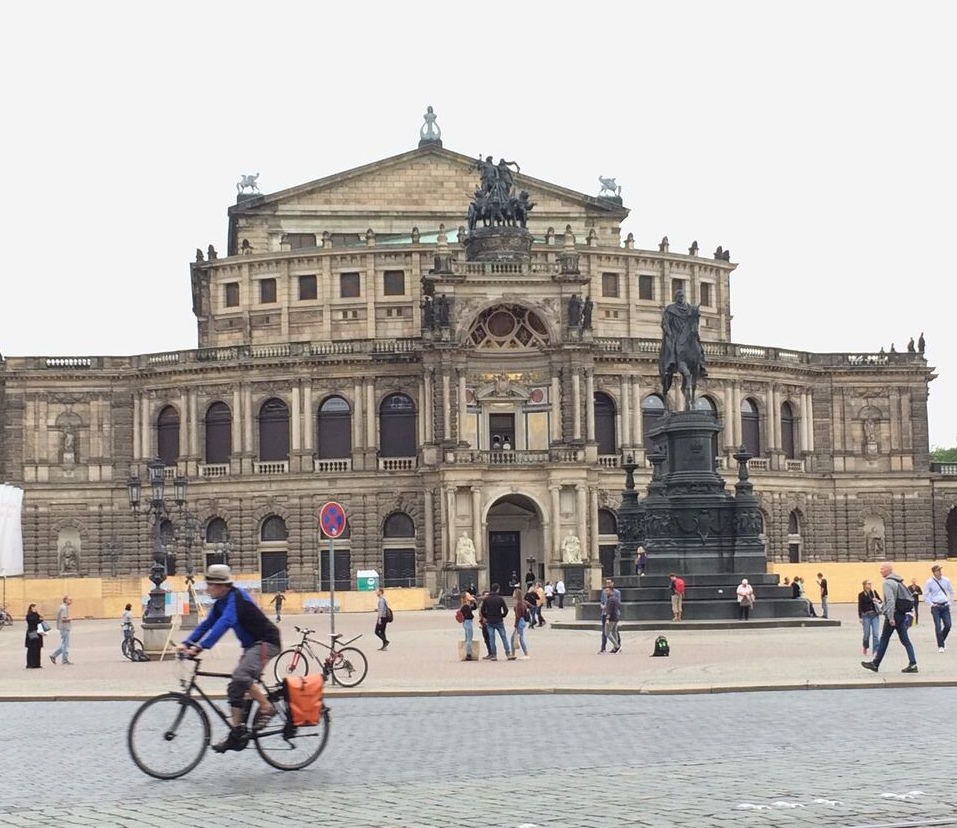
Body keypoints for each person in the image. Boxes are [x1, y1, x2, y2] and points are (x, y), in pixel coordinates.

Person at [178, 565, 282, 752]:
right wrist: (187, 642)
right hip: (251, 646)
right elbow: (207, 624)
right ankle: (236, 733)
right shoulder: (220, 603)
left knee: (241, 676)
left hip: (266, 641)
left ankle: (267, 707)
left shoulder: (236, 598)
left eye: (210, 585)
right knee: (235, 687)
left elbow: (225, 622)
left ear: (221, 586)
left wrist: (201, 646)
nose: (207, 588)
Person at [861, 563, 918, 674]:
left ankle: (875, 664)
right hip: (900, 614)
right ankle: (913, 664)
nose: (880, 571)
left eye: (882, 569)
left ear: (888, 570)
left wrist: (891, 617)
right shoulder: (898, 581)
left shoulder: (888, 583)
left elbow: (891, 601)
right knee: (905, 640)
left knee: (884, 639)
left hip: (893, 615)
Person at [923, 564, 953, 653]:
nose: (940, 572)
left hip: (945, 605)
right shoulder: (929, 582)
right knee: (938, 626)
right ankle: (941, 645)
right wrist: (931, 604)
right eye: (938, 570)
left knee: (948, 625)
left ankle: (941, 639)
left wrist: (949, 602)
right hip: (936, 606)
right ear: (934, 572)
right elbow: (925, 595)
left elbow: (951, 591)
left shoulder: (946, 580)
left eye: (940, 570)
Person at [479, 584, 513, 661]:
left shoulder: (486, 599)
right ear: (497, 589)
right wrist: (502, 615)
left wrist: (487, 616)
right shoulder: (500, 599)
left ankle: (494, 655)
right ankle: (508, 653)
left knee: (491, 638)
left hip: (490, 621)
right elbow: (506, 610)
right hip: (499, 620)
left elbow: (482, 610)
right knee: (504, 637)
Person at [858, 579, 882, 656]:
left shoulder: (874, 593)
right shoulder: (861, 595)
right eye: (868, 584)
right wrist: (860, 617)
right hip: (866, 616)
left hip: (875, 615)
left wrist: (877, 600)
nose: (870, 585)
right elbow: (860, 606)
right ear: (864, 585)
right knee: (867, 634)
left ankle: (876, 650)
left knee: (876, 634)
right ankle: (865, 646)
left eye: (870, 584)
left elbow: (880, 601)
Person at [598, 578, 622, 653]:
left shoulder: (616, 593)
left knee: (610, 632)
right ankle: (603, 648)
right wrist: (602, 606)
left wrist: (608, 608)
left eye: (609, 582)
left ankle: (617, 646)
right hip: (605, 613)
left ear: (612, 583)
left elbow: (618, 604)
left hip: (612, 615)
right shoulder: (604, 592)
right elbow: (602, 601)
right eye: (606, 583)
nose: (607, 584)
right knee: (605, 631)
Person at [50, 595, 73, 665]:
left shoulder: (63, 607)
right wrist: (70, 618)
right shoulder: (64, 608)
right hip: (64, 627)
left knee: (64, 644)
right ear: (65, 600)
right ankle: (64, 660)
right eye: (70, 600)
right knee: (65, 644)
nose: (71, 601)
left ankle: (54, 655)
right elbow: (63, 619)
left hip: (64, 627)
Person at [511, 589, 529, 659]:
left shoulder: (518, 604)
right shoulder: (522, 603)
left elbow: (518, 616)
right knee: (515, 638)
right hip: (522, 621)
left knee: (519, 638)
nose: (512, 594)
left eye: (514, 593)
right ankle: (513, 653)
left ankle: (525, 653)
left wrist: (515, 625)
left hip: (520, 622)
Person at [460, 591, 477, 661]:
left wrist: (474, 602)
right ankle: (468, 654)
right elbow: (469, 615)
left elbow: (474, 607)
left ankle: (467, 652)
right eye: (468, 595)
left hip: (466, 622)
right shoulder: (466, 606)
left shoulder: (465, 605)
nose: (470, 596)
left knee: (467, 638)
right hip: (468, 622)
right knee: (469, 639)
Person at [25, 603, 44, 668]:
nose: (35, 609)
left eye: (36, 608)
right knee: (32, 648)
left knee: (38, 648)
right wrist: (40, 619)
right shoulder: (29, 615)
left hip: (38, 632)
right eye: (33, 608)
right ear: (31, 609)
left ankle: (37, 663)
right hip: (32, 632)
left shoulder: (37, 615)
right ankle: (30, 664)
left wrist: (41, 618)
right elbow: (33, 622)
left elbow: (40, 622)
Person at [604, 584, 622, 653]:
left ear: (611, 591)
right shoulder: (615, 599)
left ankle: (617, 646)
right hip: (616, 617)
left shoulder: (610, 599)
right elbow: (619, 606)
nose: (606, 592)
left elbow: (609, 610)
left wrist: (607, 618)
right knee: (614, 632)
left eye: (607, 590)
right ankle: (615, 647)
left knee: (607, 633)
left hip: (611, 618)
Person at [375, 587, 391, 651]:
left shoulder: (381, 600)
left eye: (377, 591)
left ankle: (386, 641)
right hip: (385, 618)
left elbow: (381, 610)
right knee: (382, 632)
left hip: (382, 618)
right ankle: (384, 646)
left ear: (380, 592)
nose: (376, 592)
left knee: (376, 631)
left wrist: (379, 618)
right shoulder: (384, 599)